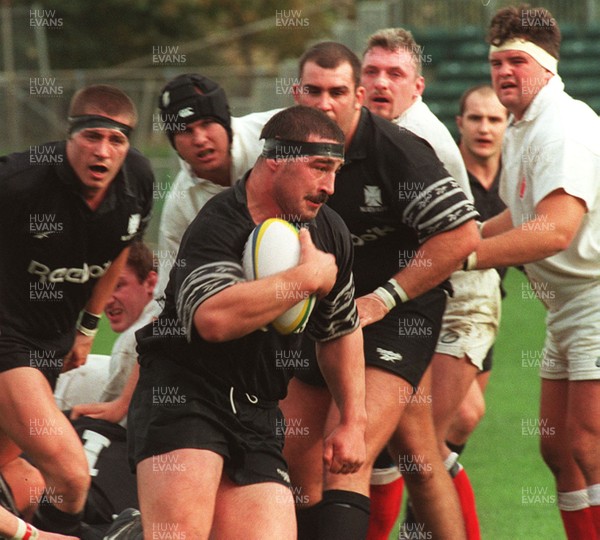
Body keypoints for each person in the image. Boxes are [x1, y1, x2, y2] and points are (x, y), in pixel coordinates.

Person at [128, 105, 368, 539]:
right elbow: (213, 319)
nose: (329, 186)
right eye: (319, 168)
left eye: (335, 171)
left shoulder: (329, 232)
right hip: (186, 396)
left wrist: (353, 419)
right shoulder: (219, 224)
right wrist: (305, 278)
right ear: (274, 159)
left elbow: (340, 330)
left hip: (258, 411)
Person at [282, 41, 479, 540]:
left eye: (337, 91)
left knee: (345, 455)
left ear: (359, 95)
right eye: (314, 90)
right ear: (295, 92)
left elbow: (462, 236)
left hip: (395, 313)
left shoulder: (398, 150)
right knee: (296, 452)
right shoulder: (284, 151)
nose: (324, 103)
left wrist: (384, 298)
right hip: (323, 312)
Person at [465, 5, 600, 539]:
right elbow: (521, 217)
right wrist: (465, 236)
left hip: (594, 295)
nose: (503, 73)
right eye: (497, 62)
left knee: (588, 443)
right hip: (567, 303)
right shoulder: (523, 125)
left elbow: (553, 230)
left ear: (547, 67)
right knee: (557, 446)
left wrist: (464, 257)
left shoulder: (563, 127)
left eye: (516, 61)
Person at [359, 28, 497, 540]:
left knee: (418, 447)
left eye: (394, 74)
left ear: (416, 87)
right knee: (398, 445)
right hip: (404, 295)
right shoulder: (360, 129)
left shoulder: (421, 143)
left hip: (455, 296)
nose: (380, 82)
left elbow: (448, 249)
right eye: (371, 71)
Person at [0, 84, 154, 536]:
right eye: (92, 137)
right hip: (7, 337)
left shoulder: (138, 181)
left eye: (117, 140)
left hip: (53, 341)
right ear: (69, 137)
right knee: (69, 471)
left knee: (13, 467)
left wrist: (86, 327)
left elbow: (118, 252)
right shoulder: (20, 182)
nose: (103, 151)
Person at [50, 241, 157, 533]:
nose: (108, 299)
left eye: (118, 285)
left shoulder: (137, 339)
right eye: (102, 288)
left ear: (151, 282)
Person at [155, 73, 278, 297]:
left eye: (207, 124)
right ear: (173, 143)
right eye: (185, 130)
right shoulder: (181, 206)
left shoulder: (275, 135)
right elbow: (167, 292)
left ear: (226, 123)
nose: (200, 139)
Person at [445, 85, 508, 452]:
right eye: (476, 118)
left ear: (507, 124)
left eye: (494, 119)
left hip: (486, 311)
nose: (485, 128)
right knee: (465, 413)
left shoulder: (515, 181)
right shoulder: (443, 176)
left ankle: (420, 509)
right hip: (438, 311)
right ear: (460, 123)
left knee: (458, 426)